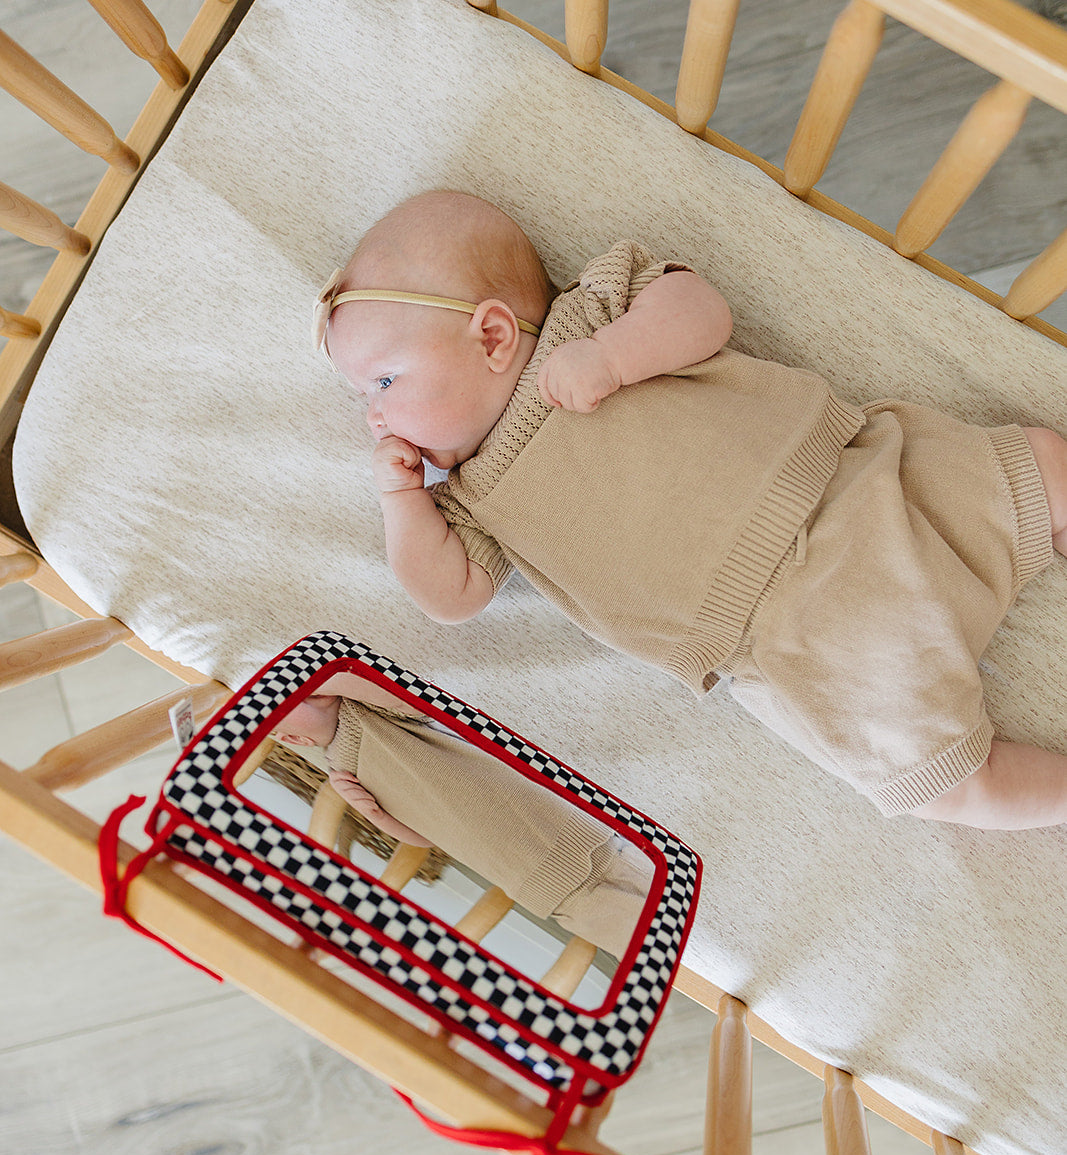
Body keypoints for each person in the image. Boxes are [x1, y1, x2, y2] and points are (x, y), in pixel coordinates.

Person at [314, 189, 1067, 831]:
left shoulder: (588, 320)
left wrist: (615, 356)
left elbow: (699, 309)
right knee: (946, 782)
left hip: (857, 479)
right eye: (360, 398)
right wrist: (401, 501)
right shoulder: (473, 499)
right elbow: (450, 598)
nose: (373, 418)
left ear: (492, 334)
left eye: (381, 382)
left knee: (1039, 462)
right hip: (799, 642)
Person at [272, 671, 654, 960]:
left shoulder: (362, 707)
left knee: (671, 906)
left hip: (577, 838)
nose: (295, 688)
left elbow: (408, 700)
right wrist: (375, 816)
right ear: (293, 741)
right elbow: (425, 837)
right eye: (280, 700)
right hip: (546, 891)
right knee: (653, 946)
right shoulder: (342, 775)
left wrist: (332, 679)